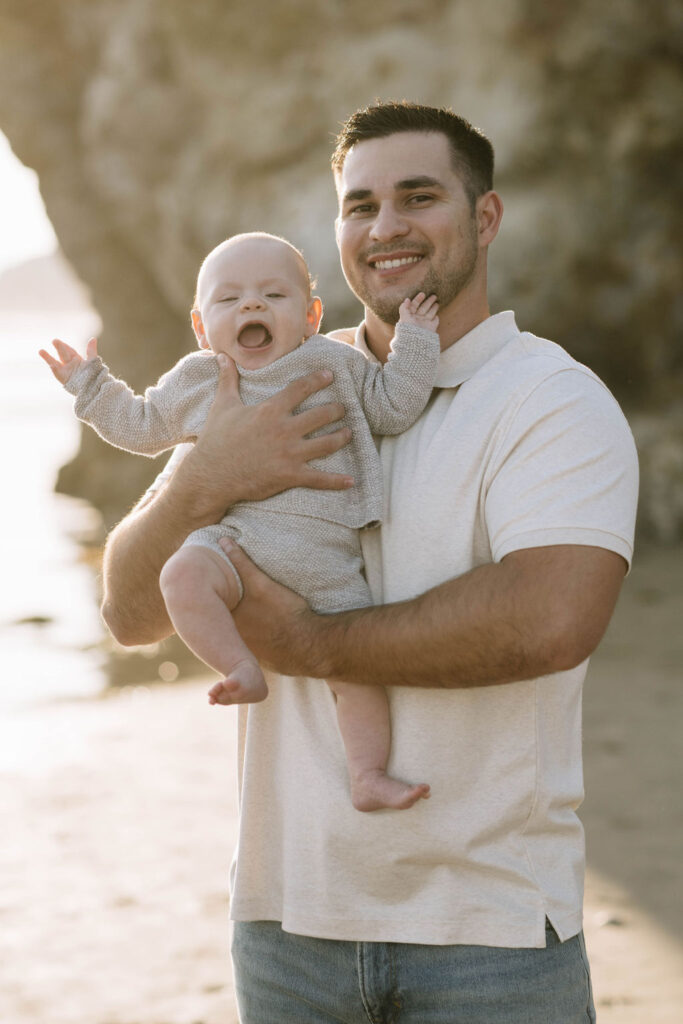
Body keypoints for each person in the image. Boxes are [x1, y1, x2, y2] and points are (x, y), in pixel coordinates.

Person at [97, 102, 639, 1022]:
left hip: (488, 933)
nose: (385, 228)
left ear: (485, 217)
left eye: (418, 197)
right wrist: (205, 478)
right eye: (359, 206)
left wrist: (309, 641)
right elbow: (129, 612)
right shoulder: (276, 382)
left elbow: (551, 618)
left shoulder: (548, 400)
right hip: (285, 924)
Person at [41, 230, 441, 813]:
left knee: (355, 669)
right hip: (236, 546)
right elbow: (142, 426)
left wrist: (416, 342)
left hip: (326, 557)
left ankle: (367, 772)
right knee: (181, 575)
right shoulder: (201, 379)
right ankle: (239, 666)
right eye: (229, 300)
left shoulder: (336, 362)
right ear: (203, 328)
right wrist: (91, 386)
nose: (251, 306)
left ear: (310, 315)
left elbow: (392, 404)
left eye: (273, 295)